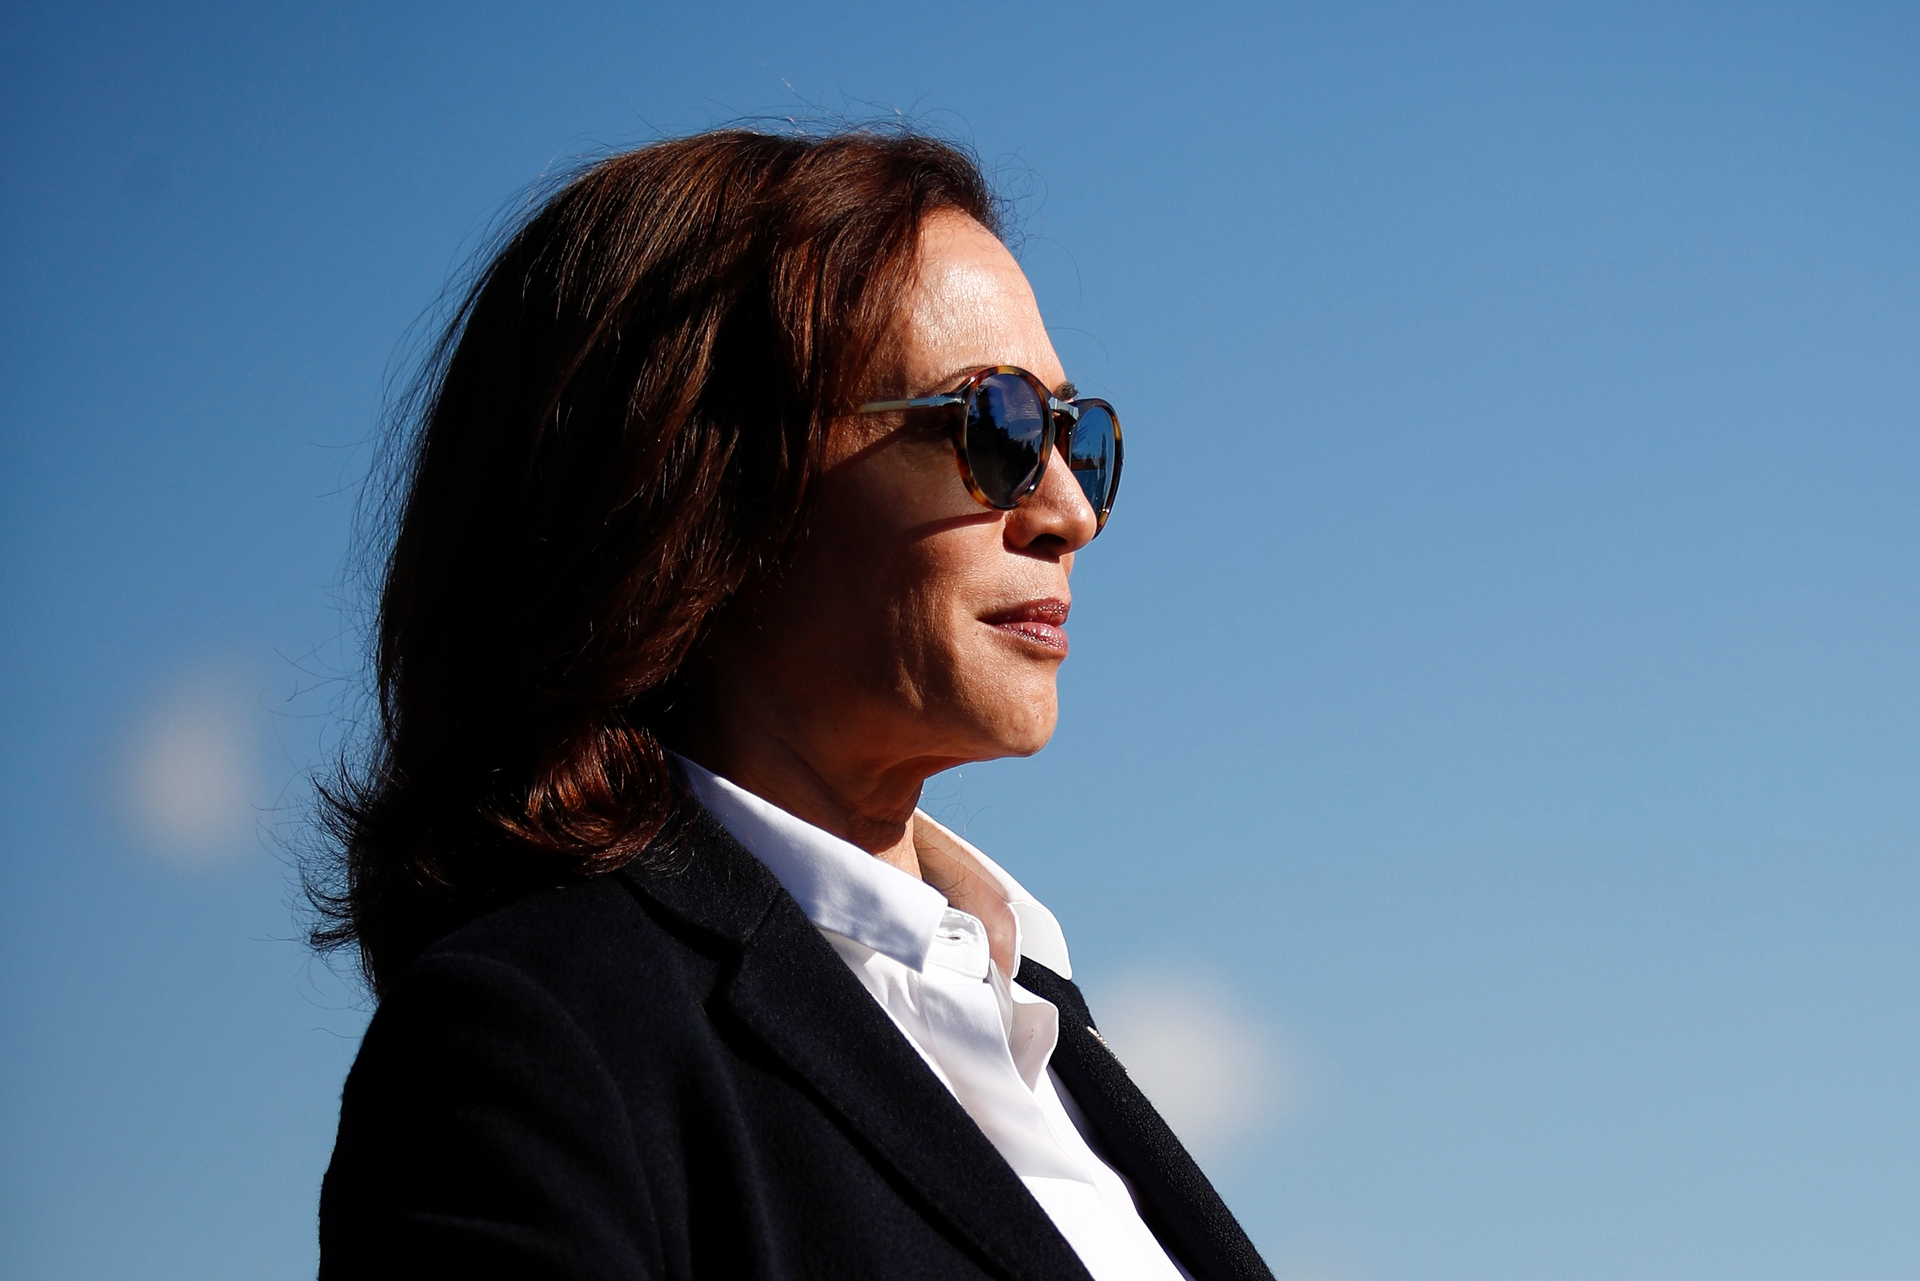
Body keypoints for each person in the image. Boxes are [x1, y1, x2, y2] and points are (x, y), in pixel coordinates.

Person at [313, 127, 1272, 1281]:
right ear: (697, 487)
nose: (1069, 511)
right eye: (999, 428)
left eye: (1079, 438)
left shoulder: (1043, 1025)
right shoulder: (537, 1046)